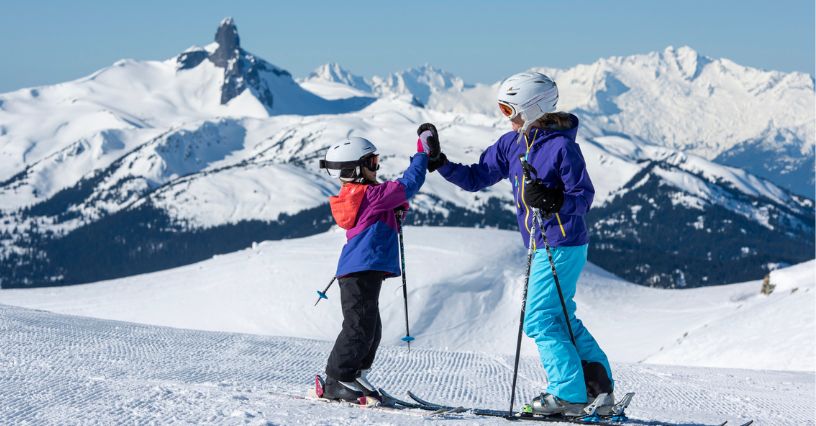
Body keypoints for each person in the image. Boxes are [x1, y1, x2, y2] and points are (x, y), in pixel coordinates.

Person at [424, 72, 615, 416]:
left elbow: (583, 198)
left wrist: (555, 200)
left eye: (508, 109)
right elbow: (475, 177)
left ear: (531, 108)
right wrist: (441, 164)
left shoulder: (562, 147)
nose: (506, 117)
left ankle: (568, 395)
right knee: (560, 317)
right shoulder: (511, 145)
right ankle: (597, 391)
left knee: (540, 319)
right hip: (543, 245)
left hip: (562, 242)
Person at [317, 131, 438, 402]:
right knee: (358, 326)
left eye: (376, 160)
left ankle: (356, 372)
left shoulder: (361, 196)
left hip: (364, 270)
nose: (377, 167)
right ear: (355, 169)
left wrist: (395, 214)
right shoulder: (370, 196)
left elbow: (379, 221)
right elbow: (408, 184)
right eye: (372, 162)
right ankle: (336, 378)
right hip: (359, 271)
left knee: (370, 327)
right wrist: (421, 155)